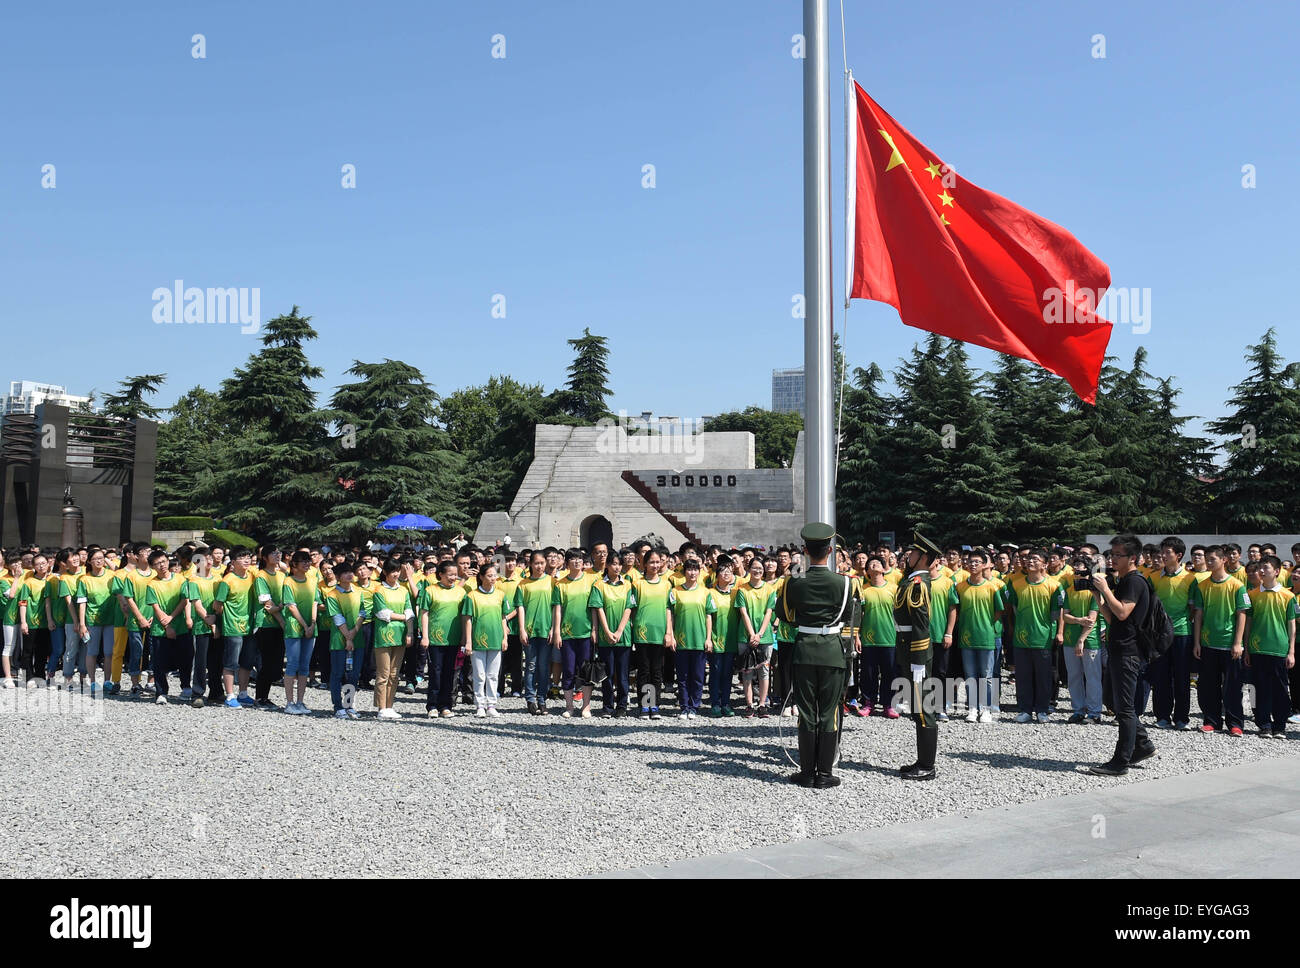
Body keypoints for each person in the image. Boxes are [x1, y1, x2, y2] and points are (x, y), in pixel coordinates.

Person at [781, 523, 858, 788]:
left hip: (804, 649)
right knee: (828, 712)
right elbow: (849, 616)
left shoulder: (794, 581)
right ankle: (824, 774)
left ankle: (806, 772)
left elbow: (786, 615)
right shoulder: (845, 583)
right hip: (832, 651)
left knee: (806, 711)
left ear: (805, 551)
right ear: (830, 550)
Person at [1089, 534, 1158, 776]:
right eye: (1112, 554)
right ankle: (1142, 745)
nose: (1112, 559)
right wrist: (1099, 598)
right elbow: (1112, 618)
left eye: (1118, 555)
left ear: (1133, 558)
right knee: (1114, 700)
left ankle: (1121, 761)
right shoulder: (1125, 580)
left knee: (1125, 708)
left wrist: (1106, 588)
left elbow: (1122, 612)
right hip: (1119, 646)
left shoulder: (1134, 582)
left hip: (1129, 651)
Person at [1188, 545, 1250, 736]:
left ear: (1223, 560)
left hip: (1230, 644)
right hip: (1208, 644)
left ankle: (1235, 723)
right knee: (1208, 686)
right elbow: (1198, 615)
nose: (1208, 561)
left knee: (1232, 687)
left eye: (1212, 558)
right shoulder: (1202, 585)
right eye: (1207, 558)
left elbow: (1242, 614)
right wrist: (1197, 642)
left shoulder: (1237, 585)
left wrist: (1238, 643)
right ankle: (1211, 721)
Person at [1004, 549, 1064, 724]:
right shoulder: (1015, 584)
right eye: (1029, 559)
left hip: (1043, 637)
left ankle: (1042, 709)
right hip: (1021, 637)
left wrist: (1057, 633)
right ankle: (1025, 709)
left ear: (1044, 564)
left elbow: (1057, 613)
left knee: (1043, 676)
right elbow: (1012, 610)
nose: (1030, 561)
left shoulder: (1054, 585)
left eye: (1035, 559)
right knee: (1023, 676)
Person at [1245, 555, 1296, 738]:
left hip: (1279, 649)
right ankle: (1264, 724)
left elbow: (1291, 625)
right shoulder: (1252, 594)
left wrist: (1291, 651)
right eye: (1260, 568)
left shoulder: (1288, 596)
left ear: (1276, 571)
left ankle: (1280, 726)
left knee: (1280, 689)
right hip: (1257, 648)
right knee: (1259, 688)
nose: (1261, 571)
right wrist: (1246, 648)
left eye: (1265, 568)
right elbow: (1248, 623)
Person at [1149, 536, 1196, 730]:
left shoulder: (1190, 579)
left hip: (1182, 632)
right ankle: (1162, 716)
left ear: (1179, 555)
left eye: (1168, 552)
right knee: (1160, 676)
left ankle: (1182, 718)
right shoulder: (1153, 577)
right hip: (1159, 633)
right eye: (1163, 551)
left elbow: (1193, 609)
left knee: (1182, 676)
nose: (1164, 555)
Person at [955, 550, 1005, 723]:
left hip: (986, 637)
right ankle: (972, 708)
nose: (973, 564)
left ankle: (986, 709)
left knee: (986, 676)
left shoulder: (992, 587)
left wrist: (986, 624)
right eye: (971, 561)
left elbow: (999, 611)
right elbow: (957, 610)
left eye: (977, 562)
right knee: (970, 675)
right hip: (966, 637)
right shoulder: (960, 587)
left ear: (985, 565)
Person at [551, 549, 598, 717]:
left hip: (585, 633)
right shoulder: (561, 584)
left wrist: (594, 629)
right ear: (567, 562)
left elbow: (594, 607)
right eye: (573, 559)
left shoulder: (591, 581)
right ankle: (569, 706)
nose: (577, 562)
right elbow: (557, 610)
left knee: (585, 671)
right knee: (569, 669)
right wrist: (556, 631)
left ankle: (586, 706)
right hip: (567, 633)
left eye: (579, 559)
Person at [459, 560, 510, 718]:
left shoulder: (500, 594)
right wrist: (468, 641)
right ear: (481, 577)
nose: (493, 578)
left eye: (495, 575)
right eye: (489, 575)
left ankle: (491, 705)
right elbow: (467, 619)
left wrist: (505, 637)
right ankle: (480, 704)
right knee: (479, 674)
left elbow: (503, 618)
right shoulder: (472, 596)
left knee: (493, 675)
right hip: (477, 640)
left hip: (496, 639)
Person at [589, 554, 635, 717]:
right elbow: (598, 608)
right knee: (606, 675)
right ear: (607, 566)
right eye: (613, 564)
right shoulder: (599, 585)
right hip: (605, 637)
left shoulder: (628, 585)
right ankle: (607, 706)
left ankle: (622, 705)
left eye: (619, 564)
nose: (616, 567)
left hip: (624, 637)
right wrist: (607, 631)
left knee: (622, 675)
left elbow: (629, 608)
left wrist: (619, 631)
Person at [1060, 556, 1103, 724]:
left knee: (1092, 677)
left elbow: (1092, 619)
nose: (1075, 568)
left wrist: (1081, 639)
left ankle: (1094, 712)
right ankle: (1078, 710)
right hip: (1070, 639)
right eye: (1074, 565)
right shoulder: (1070, 590)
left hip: (1090, 640)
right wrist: (1078, 620)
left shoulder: (1094, 590)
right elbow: (1066, 615)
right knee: (1074, 676)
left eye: (1079, 565)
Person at [213, 548, 258, 708]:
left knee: (247, 662)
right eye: (241, 558)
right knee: (231, 662)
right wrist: (226, 618)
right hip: (232, 627)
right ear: (232, 562)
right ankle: (230, 695)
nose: (246, 560)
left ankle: (243, 694)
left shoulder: (252, 576)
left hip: (249, 626)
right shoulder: (228, 580)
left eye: (247, 557)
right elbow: (217, 604)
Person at [370, 559, 415, 719]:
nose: (395, 574)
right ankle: (381, 707)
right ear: (385, 572)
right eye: (392, 571)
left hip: (401, 635)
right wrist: (404, 617)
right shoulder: (379, 590)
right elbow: (383, 613)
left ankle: (390, 706)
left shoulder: (403, 590)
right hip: (384, 635)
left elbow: (410, 611)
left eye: (398, 571)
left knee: (395, 674)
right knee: (383, 673)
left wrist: (410, 632)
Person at [280, 550, 322, 715]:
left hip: (310, 627)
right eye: (302, 561)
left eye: (308, 561)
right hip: (294, 626)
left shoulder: (313, 580)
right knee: (292, 664)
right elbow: (291, 606)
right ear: (294, 565)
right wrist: (305, 626)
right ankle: (289, 702)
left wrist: (312, 623)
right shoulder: (288, 582)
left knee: (305, 665)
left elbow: (315, 603)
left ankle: (300, 701)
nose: (306, 564)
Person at [144, 550, 189, 704]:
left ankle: (186, 687)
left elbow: (184, 600)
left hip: (181, 626)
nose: (162, 565)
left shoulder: (181, 579)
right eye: (157, 563)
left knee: (185, 658)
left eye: (163, 561)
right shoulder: (152, 584)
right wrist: (167, 625)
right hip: (160, 628)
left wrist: (172, 617)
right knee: (159, 662)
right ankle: (161, 692)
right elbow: (155, 607)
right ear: (152, 566)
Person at [735, 556, 776, 718]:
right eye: (754, 568)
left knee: (764, 672)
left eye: (760, 568)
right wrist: (752, 634)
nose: (757, 571)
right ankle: (749, 704)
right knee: (747, 672)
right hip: (745, 636)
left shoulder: (769, 590)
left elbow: (769, 612)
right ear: (749, 568)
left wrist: (759, 634)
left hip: (764, 637)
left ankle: (762, 704)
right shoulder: (742, 589)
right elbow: (743, 612)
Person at [632, 549, 671, 719]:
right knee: (643, 670)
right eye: (651, 562)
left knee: (656, 671)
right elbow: (632, 609)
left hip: (659, 632)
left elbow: (669, 609)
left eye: (657, 562)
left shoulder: (667, 584)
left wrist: (669, 632)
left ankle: (654, 704)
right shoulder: (637, 584)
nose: (655, 565)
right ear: (644, 564)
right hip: (642, 633)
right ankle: (643, 705)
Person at [325, 560, 366, 719]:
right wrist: (348, 637)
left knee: (354, 674)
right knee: (337, 673)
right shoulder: (332, 594)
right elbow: (337, 618)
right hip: (339, 639)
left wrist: (354, 632)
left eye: (351, 571)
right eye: (345, 572)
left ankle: (349, 705)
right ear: (337, 576)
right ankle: (338, 706)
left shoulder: (358, 591)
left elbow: (362, 613)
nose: (350, 574)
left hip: (358, 638)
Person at [515, 552, 553, 716]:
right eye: (536, 563)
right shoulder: (523, 584)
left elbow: (556, 607)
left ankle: (542, 699)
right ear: (530, 564)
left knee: (544, 667)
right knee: (530, 666)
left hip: (546, 630)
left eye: (542, 563)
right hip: (529, 631)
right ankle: (530, 699)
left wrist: (553, 629)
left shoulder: (552, 582)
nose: (539, 566)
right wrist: (522, 629)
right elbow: (520, 607)